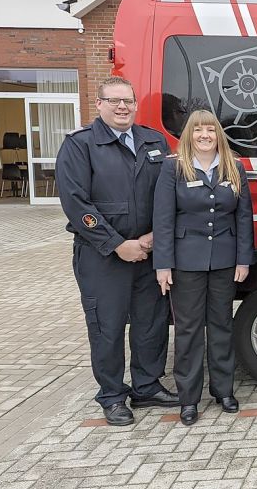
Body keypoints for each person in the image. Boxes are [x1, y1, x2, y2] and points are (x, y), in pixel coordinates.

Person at [56, 76, 179, 426]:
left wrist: (155, 236)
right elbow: (77, 204)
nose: (122, 107)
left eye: (128, 100)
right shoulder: (80, 145)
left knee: (150, 323)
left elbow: (167, 193)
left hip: (149, 250)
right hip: (102, 256)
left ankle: (146, 385)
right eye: (114, 101)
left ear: (136, 104)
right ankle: (111, 395)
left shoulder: (153, 141)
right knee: (107, 327)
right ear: (99, 104)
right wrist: (116, 245)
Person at [152, 110, 253, 425]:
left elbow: (243, 217)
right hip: (186, 263)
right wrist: (163, 265)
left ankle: (223, 391)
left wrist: (243, 259)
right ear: (189, 135)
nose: (205, 135)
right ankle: (189, 398)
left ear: (218, 134)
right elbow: (163, 219)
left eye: (210, 130)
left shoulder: (233, 167)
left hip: (224, 262)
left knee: (222, 326)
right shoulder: (174, 168)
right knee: (189, 331)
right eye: (198, 131)